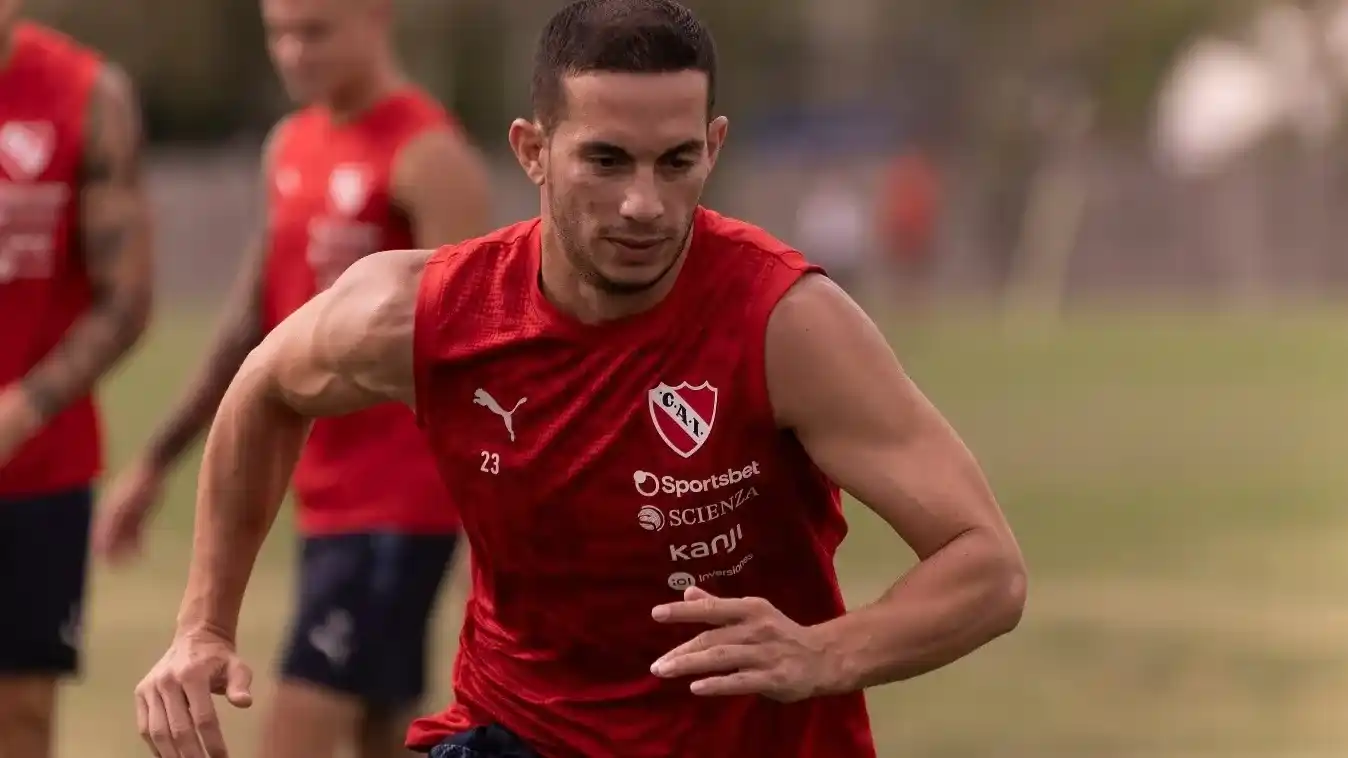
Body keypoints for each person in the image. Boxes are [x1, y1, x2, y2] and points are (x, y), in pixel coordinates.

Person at [134, 1, 1026, 757]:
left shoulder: (784, 324)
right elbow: (265, 387)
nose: (644, 202)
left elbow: (985, 565)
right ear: (532, 149)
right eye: (606, 161)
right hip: (516, 730)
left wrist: (828, 653)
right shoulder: (426, 311)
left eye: (676, 161)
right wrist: (204, 626)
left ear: (712, 146)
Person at [98, 0, 491, 756]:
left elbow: (482, 351)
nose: (292, 52)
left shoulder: (427, 153)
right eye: (278, 33)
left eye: (314, 31)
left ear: (377, 16)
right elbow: (252, 331)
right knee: (382, 735)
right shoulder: (289, 145)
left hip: (398, 507)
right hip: (318, 498)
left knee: (294, 738)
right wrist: (154, 461)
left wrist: (494, 527)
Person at [0, 6, 155, 758]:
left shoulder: (86, 93)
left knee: (21, 714)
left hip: (38, 467)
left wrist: (26, 406)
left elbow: (126, 300)